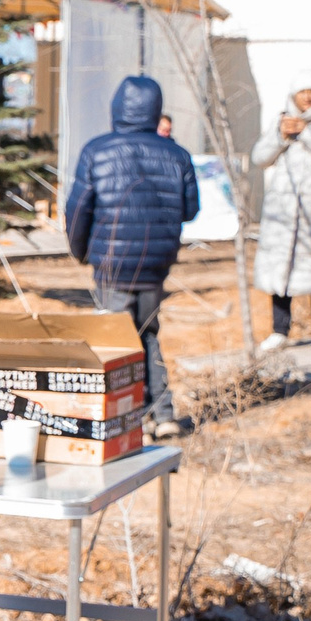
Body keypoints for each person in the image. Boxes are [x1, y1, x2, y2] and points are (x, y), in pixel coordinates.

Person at [65, 74, 199, 438]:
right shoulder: (177, 155)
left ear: (116, 108)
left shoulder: (97, 150)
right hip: (156, 262)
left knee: (116, 339)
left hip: (111, 262)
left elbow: (78, 210)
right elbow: (190, 210)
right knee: (148, 332)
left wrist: (81, 252)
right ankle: (162, 414)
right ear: (156, 110)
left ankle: (126, 416)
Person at [250, 69, 311, 354]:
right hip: (282, 211)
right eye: (301, 92)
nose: (307, 97)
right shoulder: (281, 119)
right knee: (280, 269)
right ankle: (279, 330)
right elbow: (260, 157)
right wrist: (280, 136)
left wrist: (306, 134)